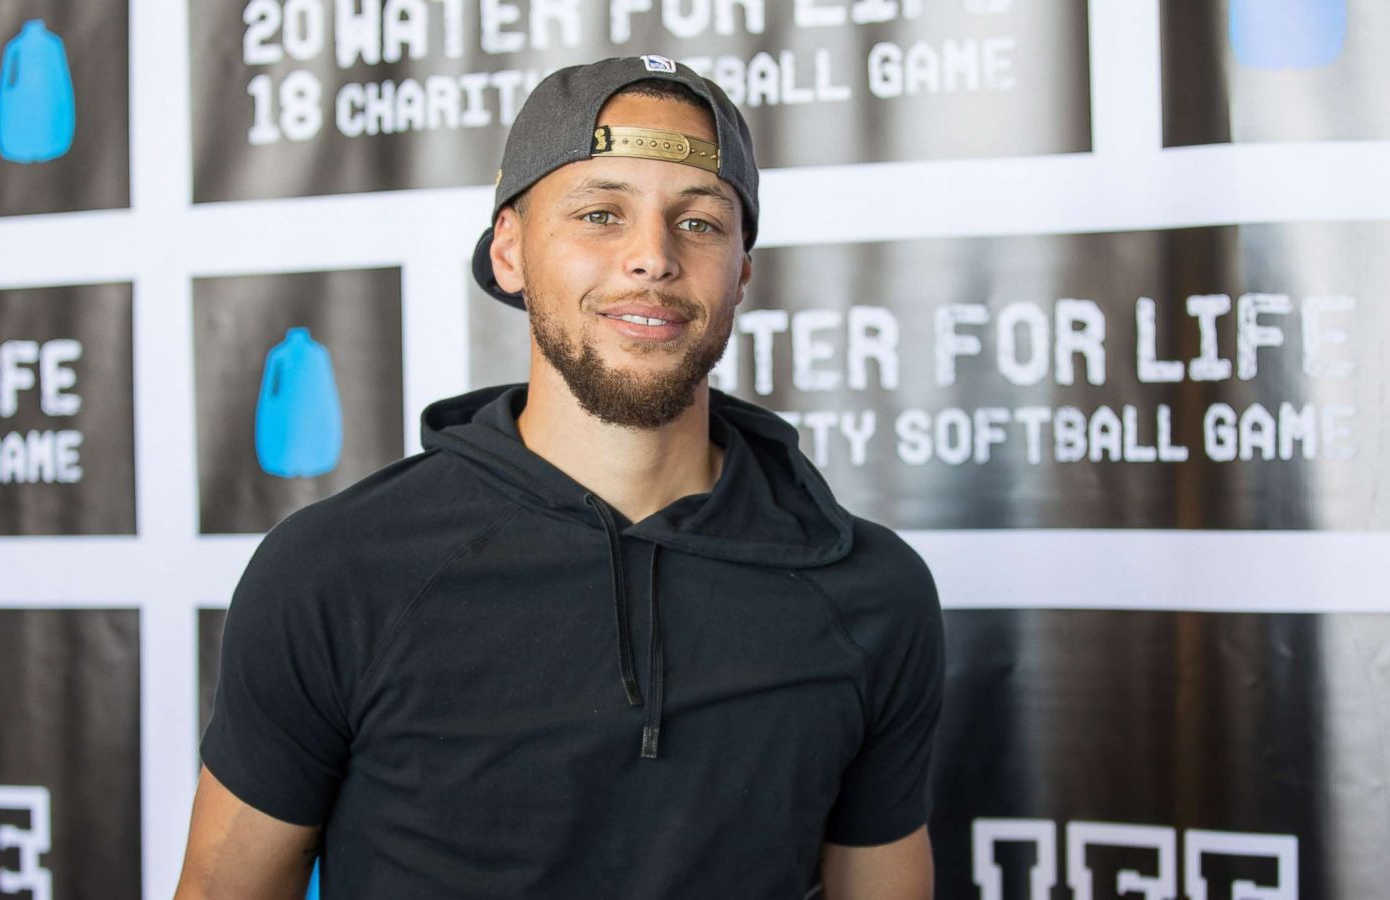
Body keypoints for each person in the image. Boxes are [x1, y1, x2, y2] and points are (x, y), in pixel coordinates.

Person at [175, 54, 944, 900]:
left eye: (699, 223)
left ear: (742, 274)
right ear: (510, 252)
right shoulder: (333, 571)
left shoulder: (871, 592)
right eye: (600, 213)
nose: (651, 258)